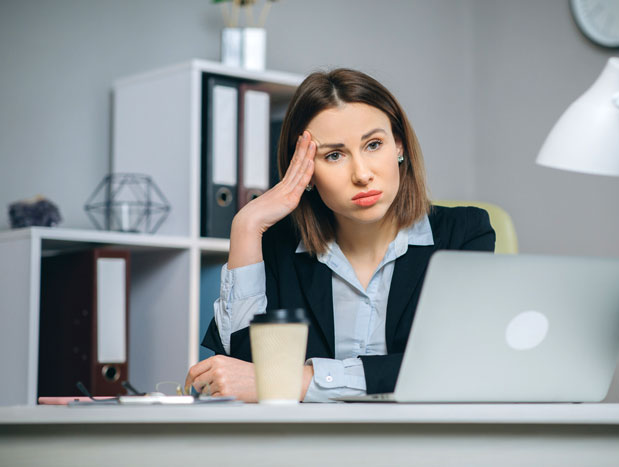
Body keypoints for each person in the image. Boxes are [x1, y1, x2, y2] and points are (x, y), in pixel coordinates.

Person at [185, 68, 495, 402]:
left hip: (427, 441)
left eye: (374, 144)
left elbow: (456, 365)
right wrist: (246, 226)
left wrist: (303, 381)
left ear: (399, 146)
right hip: (308, 445)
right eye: (334, 155)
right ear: (306, 171)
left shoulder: (465, 234)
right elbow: (244, 374)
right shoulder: (277, 246)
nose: (362, 174)